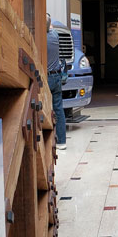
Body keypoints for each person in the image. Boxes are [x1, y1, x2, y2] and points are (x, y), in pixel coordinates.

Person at [46, 13, 66, 150]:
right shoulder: (55, 36)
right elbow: (50, 26)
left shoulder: (40, 38)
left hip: (46, 78)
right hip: (57, 77)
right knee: (59, 109)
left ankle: (45, 141)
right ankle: (62, 142)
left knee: (43, 109)